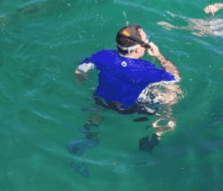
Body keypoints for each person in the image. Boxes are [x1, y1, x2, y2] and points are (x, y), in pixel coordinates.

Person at [72, 25, 182, 155]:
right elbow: (175, 78)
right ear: (136, 50)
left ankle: (90, 133)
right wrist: (159, 56)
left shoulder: (103, 55)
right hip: (133, 108)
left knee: (99, 103)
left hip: (104, 101)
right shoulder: (146, 69)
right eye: (146, 43)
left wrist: (83, 79)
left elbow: (79, 70)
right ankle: (158, 132)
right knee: (173, 93)